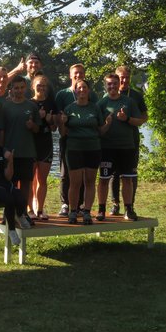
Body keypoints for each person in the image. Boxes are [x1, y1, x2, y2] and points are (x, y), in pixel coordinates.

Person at [58, 79, 110, 225]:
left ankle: (86, 211)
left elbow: (100, 131)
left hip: (93, 148)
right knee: (75, 183)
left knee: (89, 182)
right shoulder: (69, 108)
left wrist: (108, 124)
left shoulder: (95, 108)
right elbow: (63, 133)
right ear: (75, 91)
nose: (82, 90)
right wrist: (62, 122)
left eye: (84, 87)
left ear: (88, 90)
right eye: (79, 88)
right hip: (74, 149)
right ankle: (73, 211)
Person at [97, 73, 144, 221]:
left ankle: (128, 209)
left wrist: (127, 119)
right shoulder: (101, 103)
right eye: (109, 84)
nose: (112, 86)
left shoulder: (129, 102)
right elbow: (97, 128)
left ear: (119, 85)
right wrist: (106, 125)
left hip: (126, 147)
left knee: (127, 179)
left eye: (115, 83)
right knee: (104, 179)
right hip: (107, 147)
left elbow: (140, 121)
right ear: (105, 86)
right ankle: (101, 210)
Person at [54, 63, 98, 217]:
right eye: (75, 73)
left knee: (85, 175)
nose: (78, 75)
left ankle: (80, 206)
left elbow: (96, 115)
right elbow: (57, 115)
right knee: (66, 173)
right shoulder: (62, 94)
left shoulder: (91, 95)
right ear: (70, 75)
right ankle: (66, 204)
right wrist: (62, 123)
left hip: (88, 142)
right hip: (68, 138)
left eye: (81, 73)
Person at [0, 76, 40, 226]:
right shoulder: (5, 107)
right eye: (16, 88)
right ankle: (8, 214)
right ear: (11, 89)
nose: (19, 90)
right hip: (10, 152)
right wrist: (1, 150)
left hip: (27, 151)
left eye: (22, 87)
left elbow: (37, 129)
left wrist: (32, 125)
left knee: (26, 184)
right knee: (10, 184)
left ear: (25, 88)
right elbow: (1, 130)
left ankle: (22, 212)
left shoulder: (32, 106)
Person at [110, 65, 148, 215]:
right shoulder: (109, 94)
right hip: (112, 141)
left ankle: (129, 206)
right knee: (114, 174)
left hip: (131, 141)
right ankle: (115, 204)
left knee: (130, 174)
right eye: (121, 78)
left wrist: (128, 119)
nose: (124, 81)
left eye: (127, 78)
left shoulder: (136, 96)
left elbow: (144, 118)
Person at [30, 74, 57, 220]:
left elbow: (54, 128)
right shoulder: (29, 104)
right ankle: (30, 210)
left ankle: (40, 209)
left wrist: (50, 120)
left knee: (42, 179)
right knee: (29, 180)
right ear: (33, 86)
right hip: (31, 144)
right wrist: (38, 118)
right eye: (38, 85)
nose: (41, 88)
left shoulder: (51, 104)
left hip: (46, 144)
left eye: (43, 85)